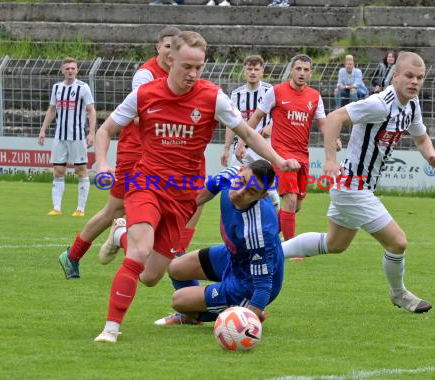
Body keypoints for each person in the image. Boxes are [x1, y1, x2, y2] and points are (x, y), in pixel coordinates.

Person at [91, 31, 299, 343]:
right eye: (187, 66)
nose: (193, 74)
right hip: (146, 181)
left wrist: (279, 161)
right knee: (141, 250)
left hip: (181, 195)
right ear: (170, 58)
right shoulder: (145, 94)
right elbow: (106, 129)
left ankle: (120, 234)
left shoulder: (211, 97)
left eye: (199, 67)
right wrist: (102, 163)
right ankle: (110, 329)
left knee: (150, 276)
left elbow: (248, 132)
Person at [285, 52, 435, 314]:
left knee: (335, 244)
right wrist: (330, 159)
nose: (414, 82)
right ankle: (399, 294)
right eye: (408, 76)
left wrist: (431, 158)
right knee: (397, 242)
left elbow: (421, 138)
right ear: (395, 75)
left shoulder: (412, 105)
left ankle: (270, 252)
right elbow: (334, 118)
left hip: (359, 186)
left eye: (419, 77)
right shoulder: (379, 104)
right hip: (353, 186)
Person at [57, 27, 181, 279]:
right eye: (167, 46)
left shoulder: (179, 75)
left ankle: (159, 250)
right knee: (115, 209)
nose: (171, 52)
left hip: (159, 154)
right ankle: (76, 253)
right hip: (135, 152)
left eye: (175, 47)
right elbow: (138, 115)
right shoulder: (145, 76)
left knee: (158, 205)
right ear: (158, 47)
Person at [154, 160, 283, 325]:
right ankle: (206, 309)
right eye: (242, 181)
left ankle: (240, 309)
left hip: (248, 283)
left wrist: (248, 321)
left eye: (251, 191)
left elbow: (264, 286)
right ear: (240, 170)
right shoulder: (230, 174)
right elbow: (199, 197)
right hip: (233, 256)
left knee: (178, 301)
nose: (239, 193)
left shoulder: (258, 230)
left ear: (262, 196)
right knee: (175, 267)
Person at [237, 54, 326, 241]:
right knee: (290, 200)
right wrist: (241, 142)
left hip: (302, 155)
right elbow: (255, 117)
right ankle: (290, 249)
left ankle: (261, 235)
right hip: (281, 154)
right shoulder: (276, 92)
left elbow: (323, 124)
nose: (302, 73)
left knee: (296, 205)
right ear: (291, 70)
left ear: (311, 73)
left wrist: (332, 140)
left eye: (306, 70)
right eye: (298, 69)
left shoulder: (315, 97)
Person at [38, 57, 96, 217]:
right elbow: (52, 110)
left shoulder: (83, 88)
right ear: (62, 70)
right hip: (60, 136)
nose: (70, 71)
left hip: (77, 136)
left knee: (80, 170)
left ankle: (80, 209)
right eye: (67, 68)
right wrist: (43, 130)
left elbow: (91, 110)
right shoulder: (57, 88)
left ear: (77, 70)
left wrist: (91, 133)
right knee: (58, 170)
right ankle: (57, 208)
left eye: (73, 68)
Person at [220, 54, 279, 209]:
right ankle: (230, 219)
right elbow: (230, 122)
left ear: (262, 71)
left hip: (262, 144)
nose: (253, 72)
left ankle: (276, 214)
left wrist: (271, 127)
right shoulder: (236, 94)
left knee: (267, 185)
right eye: (249, 69)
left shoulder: (270, 90)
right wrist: (226, 148)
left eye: (256, 69)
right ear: (244, 71)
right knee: (232, 181)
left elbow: (280, 114)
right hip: (241, 146)